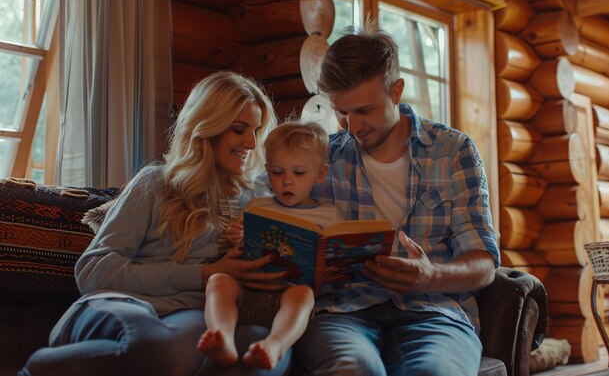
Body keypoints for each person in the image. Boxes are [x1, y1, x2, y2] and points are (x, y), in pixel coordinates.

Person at [20, 71, 293, 376]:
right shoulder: (156, 183)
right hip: (121, 302)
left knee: (260, 354)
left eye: (256, 131)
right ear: (207, 127)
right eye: (240, 129)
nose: (252, 143)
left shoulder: (259, 198)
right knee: (154, 346)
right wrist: (204, 274)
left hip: (190, 317)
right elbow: (94, 271)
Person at [293, 24, 501, 375]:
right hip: (345, 312)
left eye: (364, 110)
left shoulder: (453, 151)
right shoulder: (322, 158)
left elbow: (483, 263)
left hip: (434, 311)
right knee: (351, 369)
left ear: (396, 92)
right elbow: (259, 191)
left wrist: (429, 276)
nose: (352, 126)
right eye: (342, 112)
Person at [199, 120, 342, 370]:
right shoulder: (258, 206)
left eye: (298, 173)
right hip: (246, 293)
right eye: (277, 172)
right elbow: (242, 243)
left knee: (303, 294)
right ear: (267, 169)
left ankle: (274, 345)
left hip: (286, 301)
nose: (287, 181)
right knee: (218, 280)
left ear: (320, 173)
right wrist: (236, 237)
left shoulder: (330, 216)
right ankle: (221, 336)